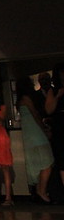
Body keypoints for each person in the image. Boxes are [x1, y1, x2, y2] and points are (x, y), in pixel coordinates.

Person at [16, 76, 54, 203]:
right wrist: (44, 129)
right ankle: (41, 191)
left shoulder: (20, 100)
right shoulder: (27, 99)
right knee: (47, 162)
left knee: (40, 163)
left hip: (29, 135)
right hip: (35, 133)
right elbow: (35, 115)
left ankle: (40, 191)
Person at [44, 64, 64, 198]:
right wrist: (58, 96)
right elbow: (49, 109)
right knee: (62, 160)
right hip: (60, 127)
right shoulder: (54, 90)